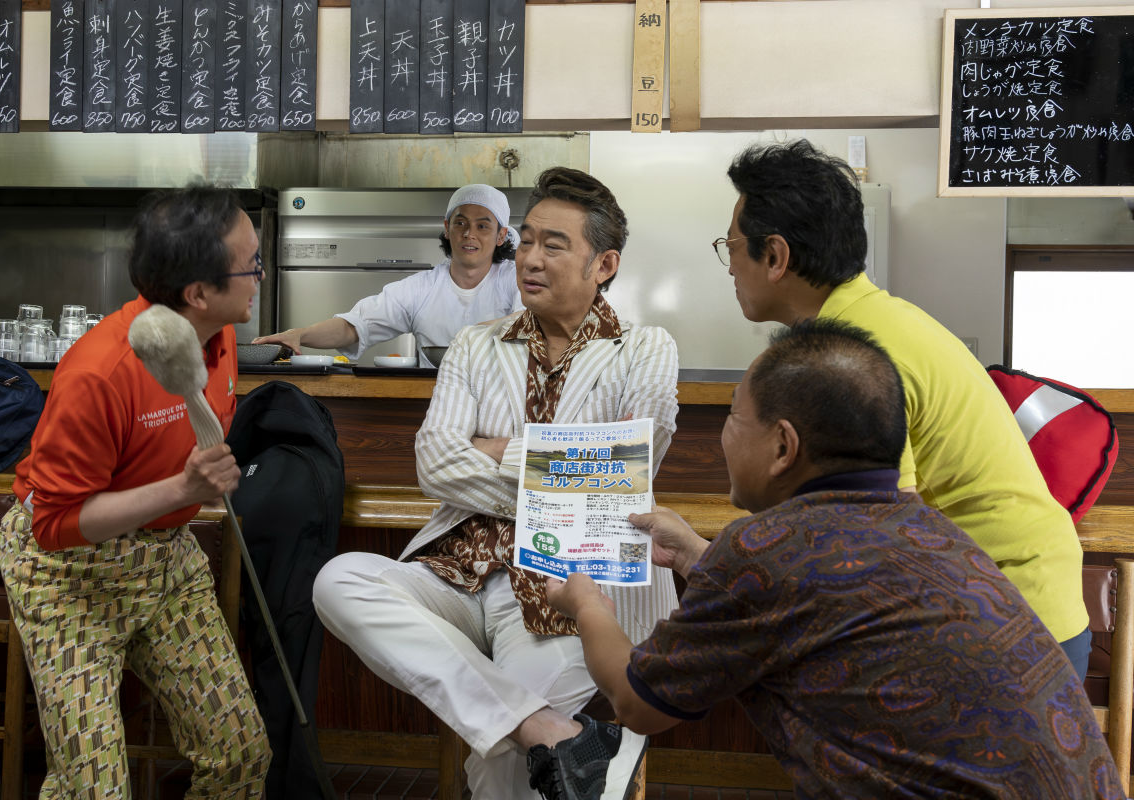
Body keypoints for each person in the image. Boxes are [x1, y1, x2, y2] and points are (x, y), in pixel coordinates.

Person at [545, 319, 1125, 799]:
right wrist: (697, 555)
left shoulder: (765, 550)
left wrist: (588, 603)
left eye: (732, 415)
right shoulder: (933, 530)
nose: (724, 433)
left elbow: (636, 702)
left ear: (782, 447)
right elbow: (814, 603)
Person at [312, 167, 679, 799]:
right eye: (528, 240)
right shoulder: (476, 345)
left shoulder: (645, 348)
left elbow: (619, 475)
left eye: (553, 245)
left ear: (605, 264)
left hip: (570, 581)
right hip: (458, 568)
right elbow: (435, 463)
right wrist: (564, 464)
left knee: (499, 764)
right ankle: (550, 729)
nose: (530, 259)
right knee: (340, 580)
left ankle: (537, 730)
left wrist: (495, 451)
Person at [714, 138, 1091, 680]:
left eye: (730, 246)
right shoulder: (882, 318)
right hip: (1022, 600)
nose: (728, 267)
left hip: (998, 617)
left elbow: (884, 528)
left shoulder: (850, 353)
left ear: (774, 256)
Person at [0, 186, 271, 797]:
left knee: (240, 755)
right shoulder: (101, 371)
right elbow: (54, 525)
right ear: (199, 292)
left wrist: (187, 491)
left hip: (164, 559)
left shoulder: (218, 334)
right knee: (94, 790)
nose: (260, 274)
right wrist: (184, 486)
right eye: (251, 264)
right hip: (67, 576)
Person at [254, 183, 523, 367]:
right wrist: (298, 335)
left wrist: (470, 335)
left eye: (483, 226)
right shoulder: (421, 288)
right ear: (446, 228)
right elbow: (355, 326)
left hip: (501, 396)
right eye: (460, 222)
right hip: (435, 399)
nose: (469, 234)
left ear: (501, 235)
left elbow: (529, 322)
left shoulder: (515, 280)